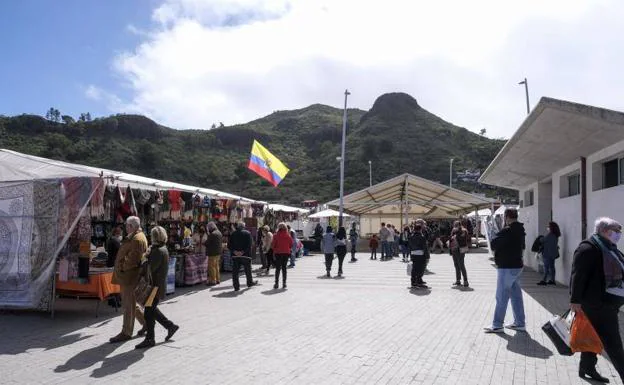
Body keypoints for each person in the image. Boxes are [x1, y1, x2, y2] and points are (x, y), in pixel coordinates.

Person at [570, 217, 624, 383]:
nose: (618, 235)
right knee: (613, 343)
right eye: (616, 232)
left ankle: (587, 367)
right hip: (596, 303)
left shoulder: (611, 248)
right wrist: (575, 300)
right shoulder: (588, 248)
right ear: (604, 231)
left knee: (595, 336)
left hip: (609, 302)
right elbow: (577, 276)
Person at [135, 226, 179, 349]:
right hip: (157, 285)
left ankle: (150, 338)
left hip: (154, 286)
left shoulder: (158, 251)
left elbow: (150, 268)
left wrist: (144, 259)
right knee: (151, 310)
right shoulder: (161, 249)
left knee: (149, 312)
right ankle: (170, 326)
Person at [484, 208, 526, 333]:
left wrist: (494, 234)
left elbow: (493, 245)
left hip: (506, 267)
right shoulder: (521, 230)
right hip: (517, 266)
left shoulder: (507, 231)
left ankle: (497, 324)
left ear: (506, 216)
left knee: (501, 296)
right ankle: (520, 323)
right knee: (516, 296)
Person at [110, 216, 148, 343]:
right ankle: (146, 322)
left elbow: (132, 260)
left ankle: (126, 332)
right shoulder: (137, 236)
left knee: (127, 305)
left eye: (127, 225)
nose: (125, 228)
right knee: (131, 303)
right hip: (129, 276)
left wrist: (121, 267)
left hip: (129, 276)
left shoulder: (137, 238)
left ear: (132, 226)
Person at [228, 222, 258, 291]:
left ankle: (236, 286)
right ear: (244, 226)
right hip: (246, 255)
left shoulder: (233, 234)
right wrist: (242, 252)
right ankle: (249, 282)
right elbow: (249, 245)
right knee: (248, 270)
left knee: (235, 272)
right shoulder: (248, 233)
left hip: (235, 256)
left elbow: (229, 245)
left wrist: (235, 251)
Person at [537, 221, 561, 286]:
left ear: (551, 227)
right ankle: (552, 280)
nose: (547, 227)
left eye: (548, 226)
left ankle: (544, 280)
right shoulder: (556, 235)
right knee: (551, 267)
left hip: (547, 253)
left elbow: (543, 240)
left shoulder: (550, 235)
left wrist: (540, 238)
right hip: (552, 254)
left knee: (546, 267)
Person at [271, 223, 293, 289]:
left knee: (277, 269)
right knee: (284, 268)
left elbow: (272, 245)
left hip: (278, 253)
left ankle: (276, 283)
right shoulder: (288, 236)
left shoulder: (275, 235)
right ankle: (284, 283)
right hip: (286, 253)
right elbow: (291, 245)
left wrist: (275, 249)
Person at [408, 224, 430, 289]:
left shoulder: (411, 236)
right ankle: (419, 281)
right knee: (421, 268)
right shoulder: (422, 236)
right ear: (420, 229)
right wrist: (427, 256)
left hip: (413, 254)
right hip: (421, 254)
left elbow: (410, 247)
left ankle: (413, 282)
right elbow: (425, 247)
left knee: (414, 268)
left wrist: (411, 255)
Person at [450, 220, 470, 287]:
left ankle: (465, 281)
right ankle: (458, 280)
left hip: (461, 250)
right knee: (456, 265)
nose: (455, 226)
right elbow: (451, 240)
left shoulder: (464, 231)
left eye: (456, 225)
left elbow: (463, 238)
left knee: (461, 265)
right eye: (454, 225)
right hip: (454, 250)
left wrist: (456, 233)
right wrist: (453, 233)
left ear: (460, 225)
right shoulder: (453, 231)